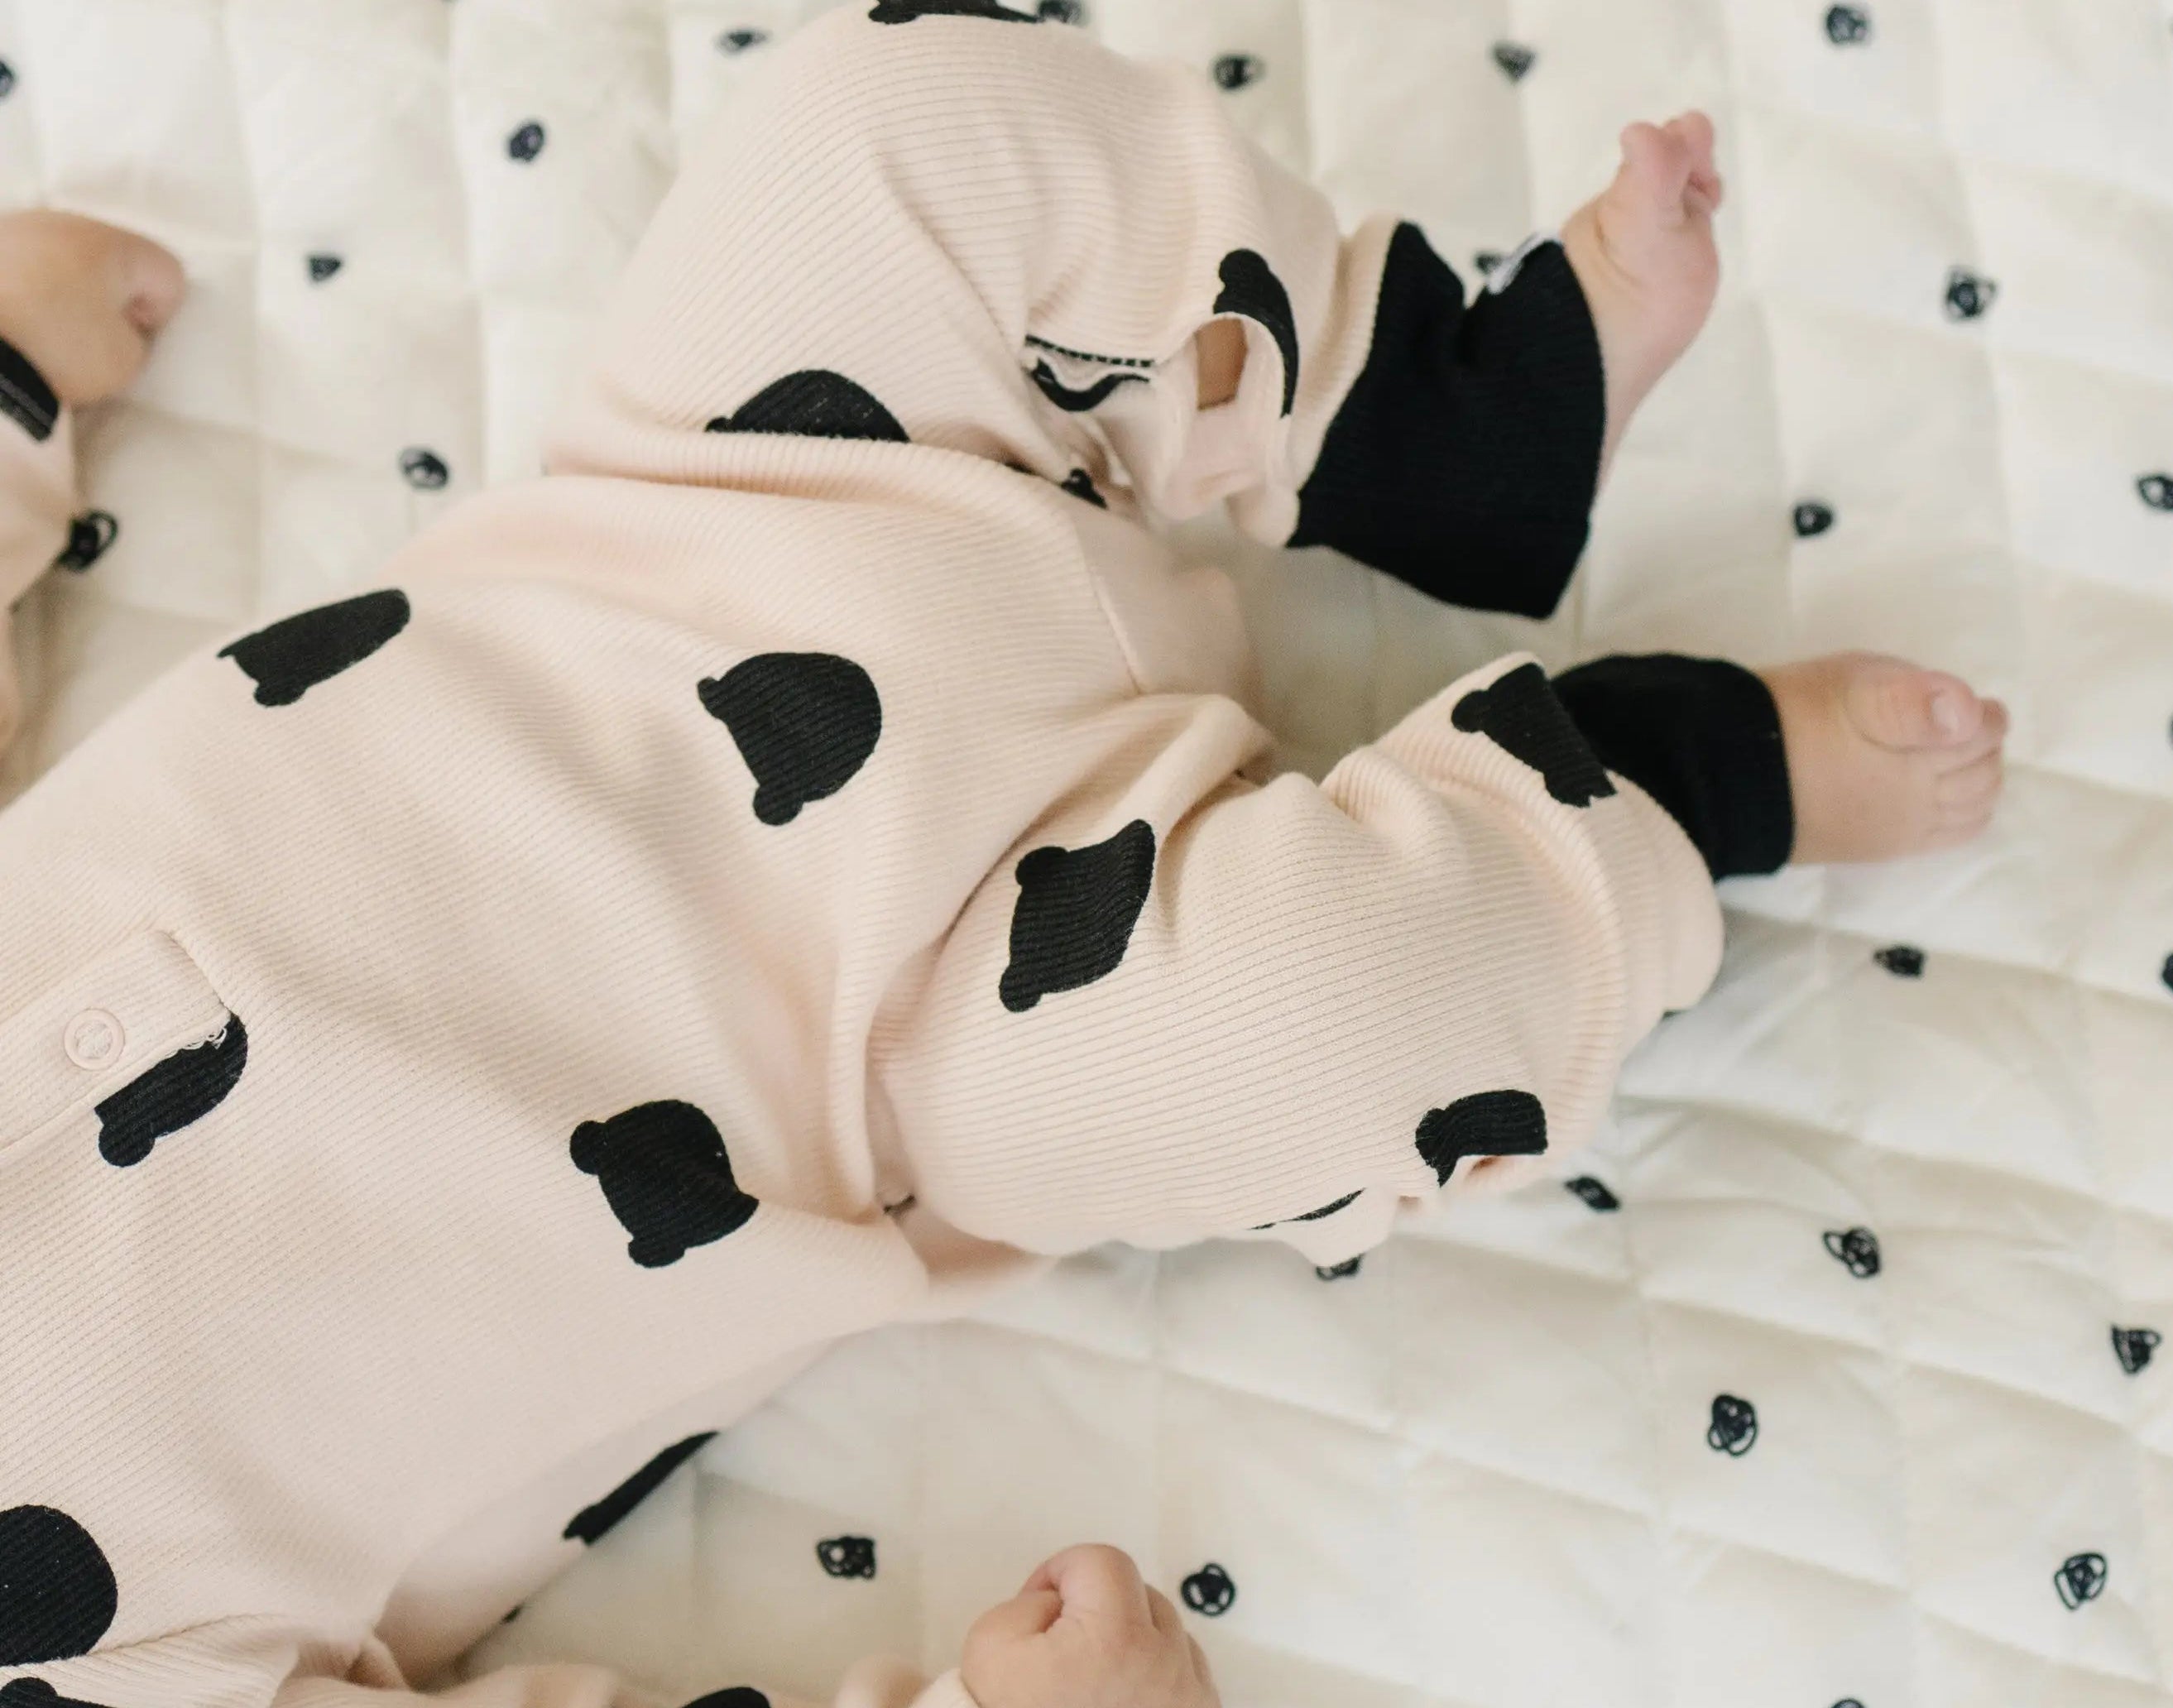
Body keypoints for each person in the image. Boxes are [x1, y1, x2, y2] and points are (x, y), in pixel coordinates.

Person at [0, 9, 2006, 1708]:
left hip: (701, 505)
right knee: (1325, 1033)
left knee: (887, 136)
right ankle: (1665, 782)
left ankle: (1451, 423)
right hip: (942, 1025)